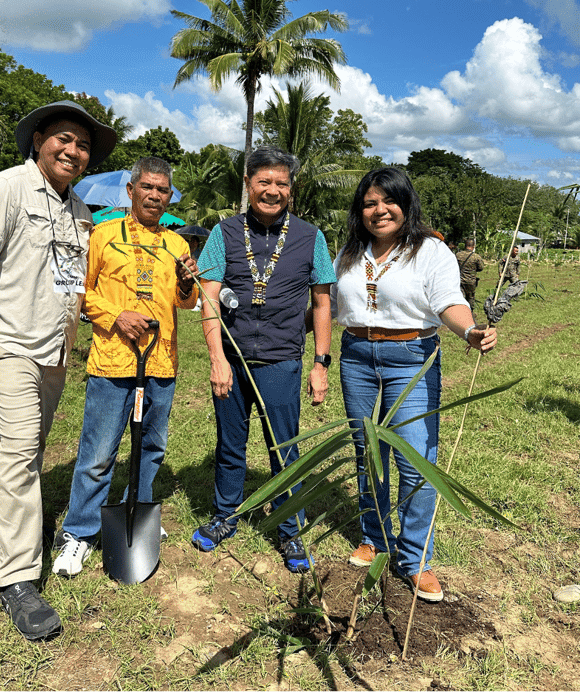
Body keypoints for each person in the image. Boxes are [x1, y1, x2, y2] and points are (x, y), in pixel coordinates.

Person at [0, 100, 117, 640]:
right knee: (20, 451)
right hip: (12, 345)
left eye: (84, 145)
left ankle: (20, 538)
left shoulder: (81, 215)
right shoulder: (3, 190)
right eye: (64, 139)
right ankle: (18, 579)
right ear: (39, 139)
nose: (73, 151)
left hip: (56, 353)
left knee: (31, 449)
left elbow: (75, 286)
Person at [331, 167, 497, 602]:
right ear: (360, 210)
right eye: (369, 203)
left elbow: (449, 301)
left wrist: (469, 332)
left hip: (412, 359)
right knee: (369, 453)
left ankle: (416, 558)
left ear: (405, 204)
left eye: (388, 201)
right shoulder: (350, 251)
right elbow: (328, 303)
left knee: (415, 458)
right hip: (356, 357)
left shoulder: (430, 251)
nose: (379, 210)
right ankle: (375, 539)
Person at [192, 145, 335, 573]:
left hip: (281, 361)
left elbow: (323, 303)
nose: (272, 191)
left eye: (281, 183)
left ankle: (290, 530)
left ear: (291, 189)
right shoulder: (225, 233)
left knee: (284, 449)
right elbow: (209, 298)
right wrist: (217, 358)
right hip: (233, 359)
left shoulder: (311, 237)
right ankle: (225, 516)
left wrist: (320, 363)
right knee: (230, 444)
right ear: (248, 184)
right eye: (264, 182)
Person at [52, 157, 197, 577]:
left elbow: (185, 302)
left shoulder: (177, 244)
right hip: (114, 360)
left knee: (151, 446)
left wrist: (186, 282)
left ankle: (139, 514)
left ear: (169, 196)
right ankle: (79, 533)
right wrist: (117, 316)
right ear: (131, 191)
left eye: (162, 190)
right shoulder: (102, 235)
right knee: (99, 452)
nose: (155, 195)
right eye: (147, 188)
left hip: (161, 359)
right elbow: (81, 291)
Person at [455, 238, 485, 311]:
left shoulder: (458, 255)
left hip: (460, 280)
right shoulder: (476, 257)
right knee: (470, 297)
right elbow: (481, 268)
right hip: (470, 281)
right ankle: (469, 312)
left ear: (465, 245)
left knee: (460, 297)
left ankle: (459, 312)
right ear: (473, 246)